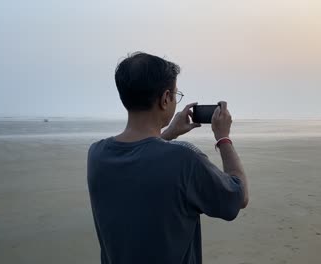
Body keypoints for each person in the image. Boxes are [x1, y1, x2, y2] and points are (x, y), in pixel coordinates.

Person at [87, 52, 249, 264]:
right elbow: (238, 197)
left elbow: (141, 157)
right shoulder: (184, 159)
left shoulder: (97, 154)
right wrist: (223, 138)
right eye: (175, 94)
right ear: (165, 99)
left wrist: (168, 133)